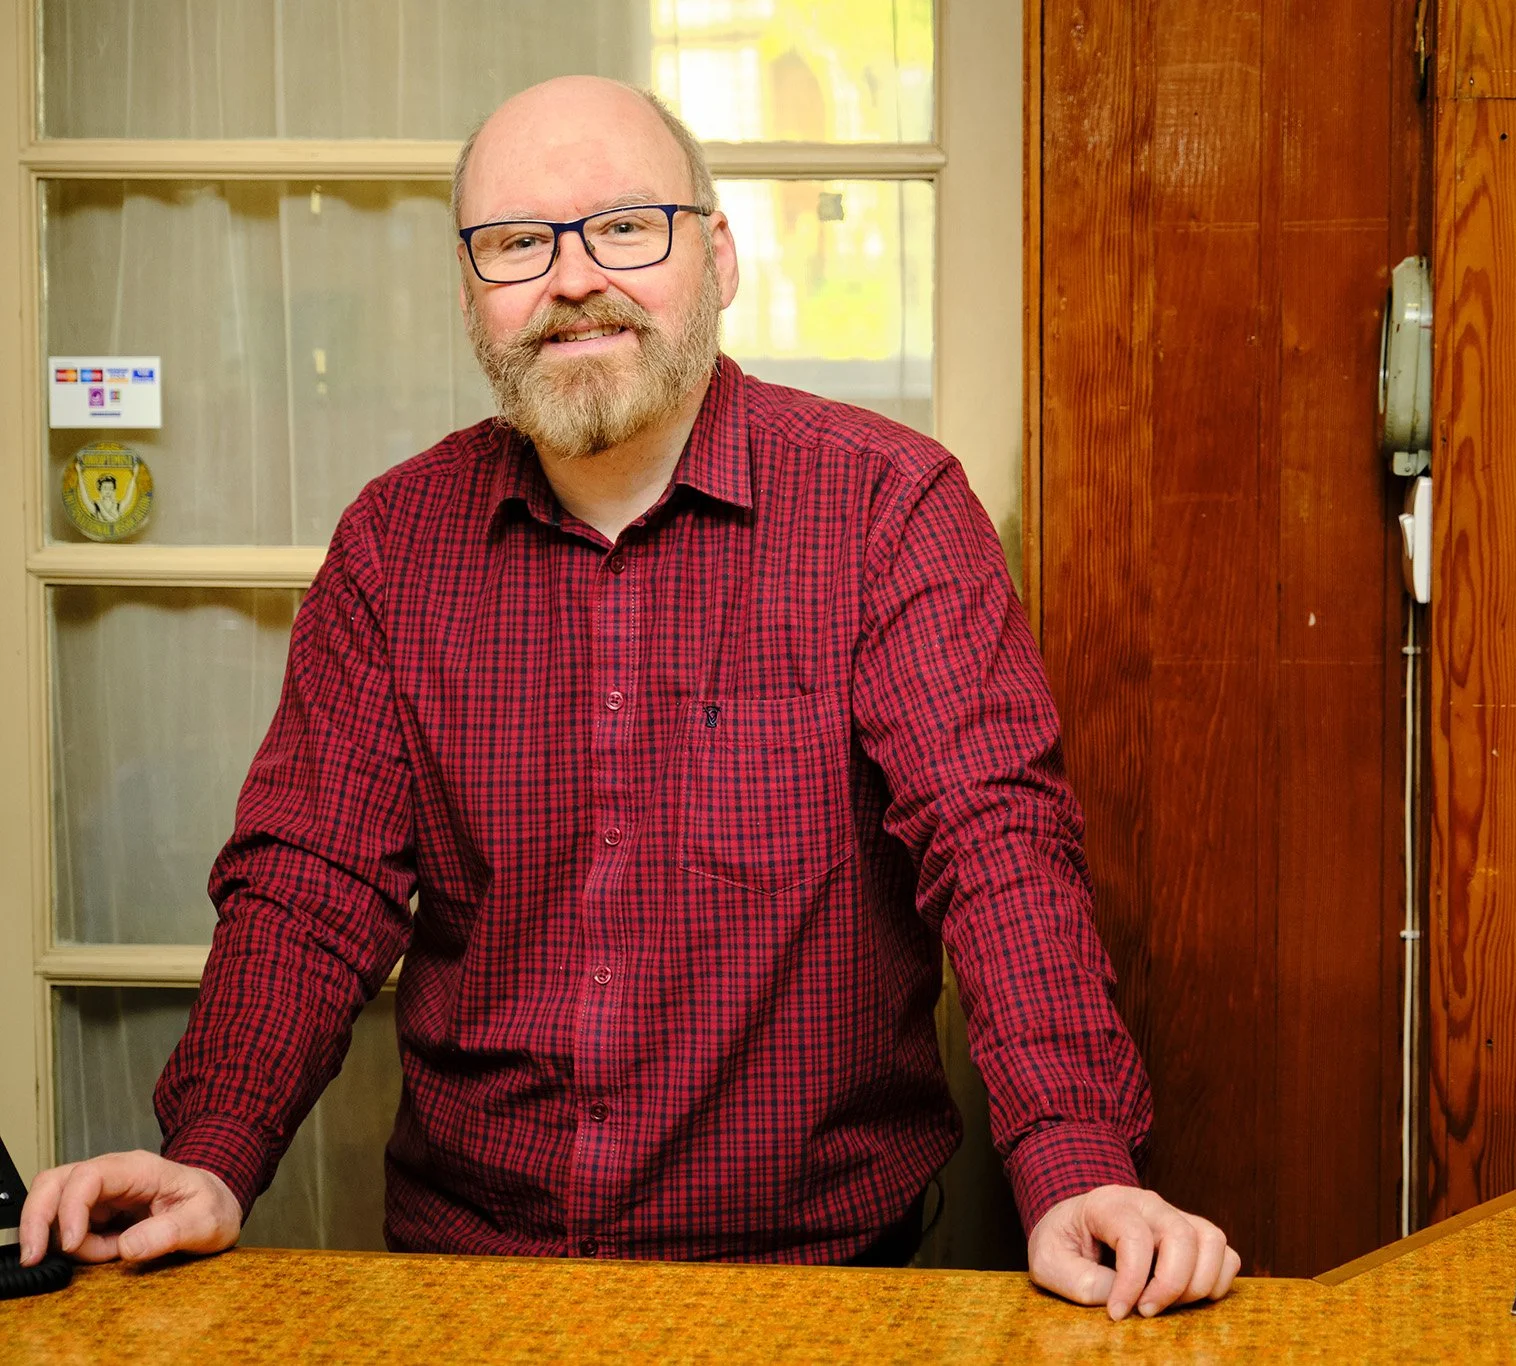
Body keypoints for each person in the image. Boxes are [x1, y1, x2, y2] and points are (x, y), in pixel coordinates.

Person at [19, 75, 1239, 1321]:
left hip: (819, 1291)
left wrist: (1076, 1162)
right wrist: (211, 1148)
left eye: (624, 226)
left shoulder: (890, 512)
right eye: (516, 244)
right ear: (470, 295)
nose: (571, 278)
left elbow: (997, 847)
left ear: (716, 256)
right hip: (466, 1291)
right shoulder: (392, 546)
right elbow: (310, 884)